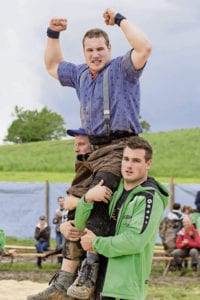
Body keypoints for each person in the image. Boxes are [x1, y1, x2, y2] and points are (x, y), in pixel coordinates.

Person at [44, 7, 152, 299]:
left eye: (100, 49)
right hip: (93, 150)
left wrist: (119, 19)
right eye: (90, 50)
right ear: (84, 52)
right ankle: (65, 278)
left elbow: (144, 47)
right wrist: (53, 33)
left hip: (120, 145)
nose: (95, 54)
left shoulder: (121, 69)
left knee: (99, 196)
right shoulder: (80, 73)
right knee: (73, 201)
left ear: (109, 49)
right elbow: (52, 65)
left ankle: (90, 272)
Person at [73, 137, 169, 300]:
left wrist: (95, 243)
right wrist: (87, 199)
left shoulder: (149, 198)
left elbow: (134, 241)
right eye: (126, 159)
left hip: (125, 288)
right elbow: (81, 224)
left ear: (148, 164)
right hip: (99, 281)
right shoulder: (112, 190)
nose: (129, 165)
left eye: (136, 161)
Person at [27, 128, 92, 299]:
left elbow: (107, 199)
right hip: (76, 233)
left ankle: (63, 284)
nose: (76, 149)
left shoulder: (103, 167)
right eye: (75, 144)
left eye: (81, 144)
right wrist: (63, 225)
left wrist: (79, 202)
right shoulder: (82, 166)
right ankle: (62, 282)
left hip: (93, 237)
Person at [52, 196, 67, 263]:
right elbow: (54, 222)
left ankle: (63, 260)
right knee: (58, 245)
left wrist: (61, 216)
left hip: (64, 231)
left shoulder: (67, 210)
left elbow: (68, 220)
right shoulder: (57, 211)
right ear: (58, 202)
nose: (61, 202)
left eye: (62, 201)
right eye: (60, 201)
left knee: (63, 245)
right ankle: (59, 260)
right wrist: (56, 218)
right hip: (58, 231)